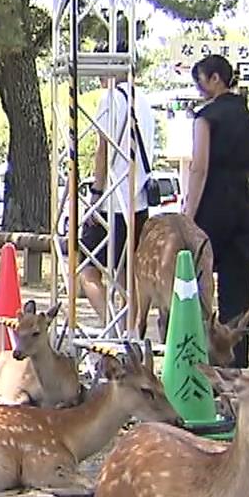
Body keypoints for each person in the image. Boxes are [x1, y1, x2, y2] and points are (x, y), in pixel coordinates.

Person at [184, 54, 249, 368]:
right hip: (243, 203)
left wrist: (188, 214)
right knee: (237, 282)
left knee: (200, 280)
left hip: (212, 202)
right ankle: (235, 355)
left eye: (201, 80)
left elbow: (199, 168)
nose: (200, 87)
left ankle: (201, 352)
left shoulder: (206, 117)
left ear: (215, 78)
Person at [81, 74, 158, 322]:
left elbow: (102, 149)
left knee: (87, 270)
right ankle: (129, 331)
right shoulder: (144, 100)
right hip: (139, 201)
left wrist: (95, 192)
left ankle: (110, 323)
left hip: (112, 199)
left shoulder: (110, 98)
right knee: (129, 275)